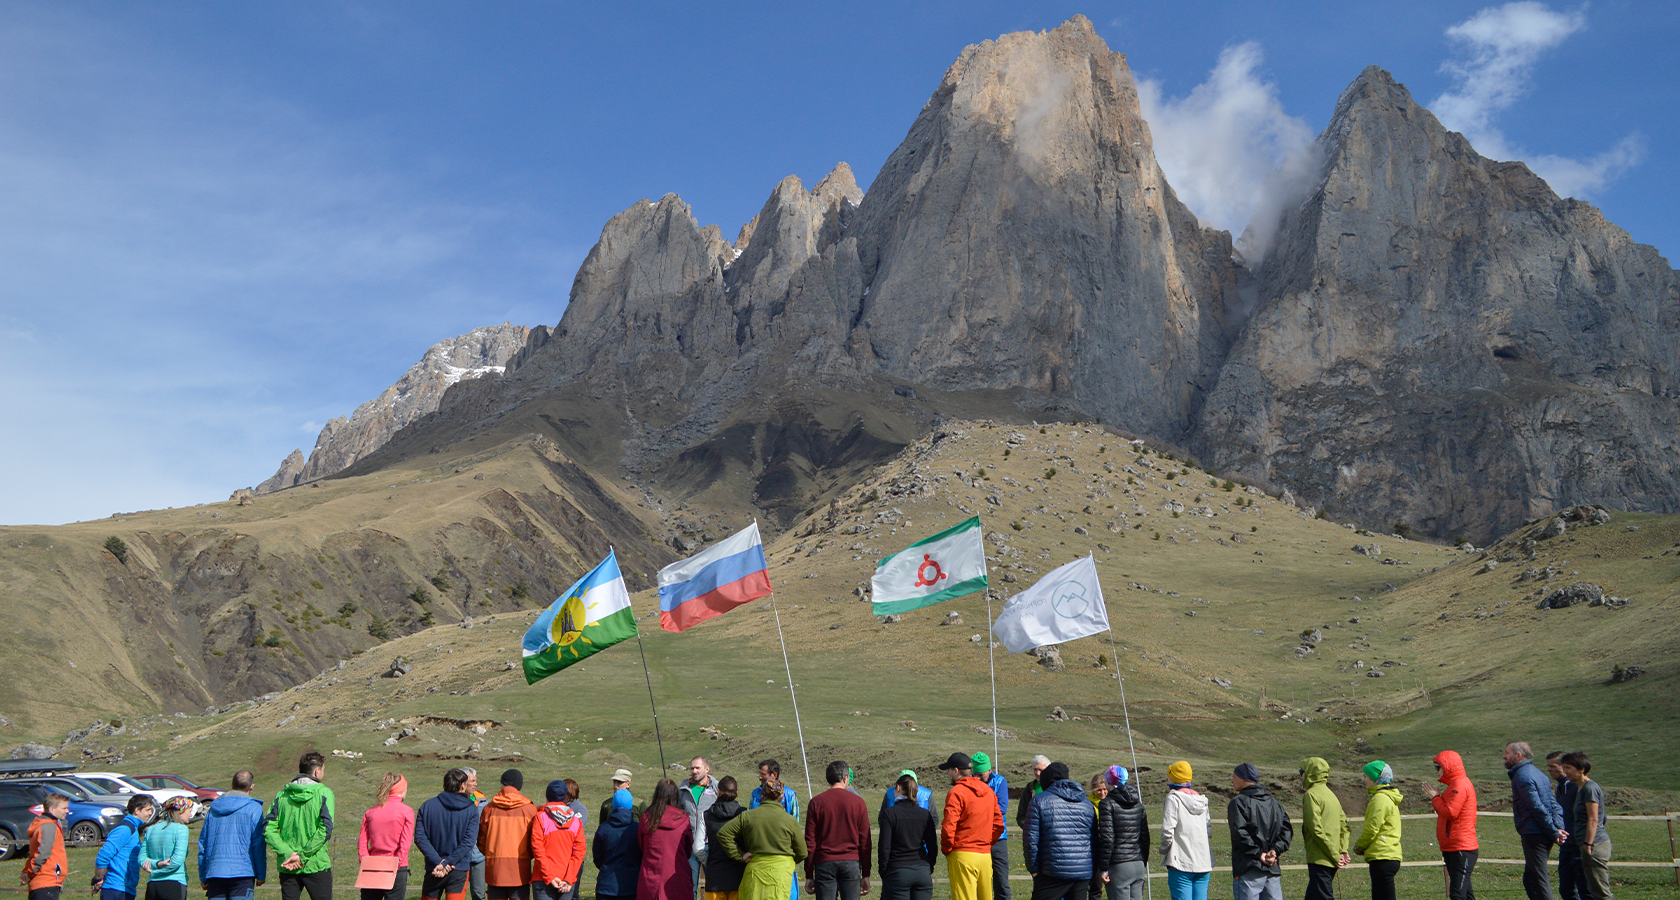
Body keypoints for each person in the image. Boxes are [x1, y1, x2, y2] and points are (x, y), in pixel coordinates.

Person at [263, 751, 337, 900]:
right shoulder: (324, 793)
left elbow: (267, 828)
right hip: (316, 864)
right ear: (317, 771)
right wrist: (302, 856)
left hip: (288, 865)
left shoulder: (282, 795)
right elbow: (325, 830)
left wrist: (287, 853)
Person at [717, 782, 807, 900]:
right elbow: (802, 852)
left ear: (762, 796)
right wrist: (787, 860)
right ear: (781, 797)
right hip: (781, 873)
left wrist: (739, 855)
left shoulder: (747, 816)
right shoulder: (790, 820)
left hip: (755, 871)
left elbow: (723, 833)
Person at [1505, 741, 1569, 900]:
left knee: (1539, 879)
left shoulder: (1522, 776)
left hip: (1534, 833)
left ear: (1518, 755)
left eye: (1507, 753)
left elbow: (1536, 807)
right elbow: (1553, 804)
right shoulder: (1539, 774)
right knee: (1530, 879)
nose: (1504, 756)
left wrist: (1554, 831)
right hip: (1541, 831)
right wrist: (1558, 827)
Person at [1022, 762, 1094, 900]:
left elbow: (1030, 839)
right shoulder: (1086, 804)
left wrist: (1033, 869)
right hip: (1081, 871)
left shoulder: (1039, 801)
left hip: (1052, 871)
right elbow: (1094, 839)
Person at [939, 753, 1004, 900]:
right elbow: (999, 825)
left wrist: (947, 849)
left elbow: (949, 826)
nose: (948, 774)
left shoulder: (956, 792)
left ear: (956, 771)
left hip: (963, 854)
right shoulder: (988, 791)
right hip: (985, 856)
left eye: (948, 770)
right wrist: (986, 842)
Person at [805, 761, 871, 900]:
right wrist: (866, 873)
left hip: (824, 863)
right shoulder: (858, 803)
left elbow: (810, 841)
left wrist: (809, 874)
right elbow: (865, 841)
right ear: (846, 778)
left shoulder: (816, 802)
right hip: (851, 862)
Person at [199, 771, 269, 900]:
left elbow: (204, 844)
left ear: (232, 785)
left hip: (216, 871)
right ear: (251, 786)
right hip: (242, 872)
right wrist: (261, 873)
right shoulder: (254, 808)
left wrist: (203, 874)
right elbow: (258, 844)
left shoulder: (213, 809)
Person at [415, 769, 483, 900]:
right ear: (463, 785)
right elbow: (469, 842)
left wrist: (438, 862)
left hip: (434, 868)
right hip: (458, 867)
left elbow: (420, 838)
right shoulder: (471, 809)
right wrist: (448, 862)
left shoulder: (427, 806)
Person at [1227, 763, 1290, 900]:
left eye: (1234, 777)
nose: (1232, 781)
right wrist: (1275, 851)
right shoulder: (1275, 803)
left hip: (1248, 868)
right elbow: (1286, 831)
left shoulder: (1238, 803)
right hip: (1271, 869)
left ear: (1244, 778)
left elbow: (1239, 833)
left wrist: (1259, 854)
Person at [1424, 752, 1478, 900]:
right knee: (1465, 893)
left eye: (1438, 767)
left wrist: (1435, 798)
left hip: (1461, 847)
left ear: (1448, 767)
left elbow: (1450, 812)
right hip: (1454, 846)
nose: (1436, 772)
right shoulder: (1454, 785)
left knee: (1457, 894)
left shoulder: (1459, 785)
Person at [1560, 753, 1612, 900]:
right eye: (1563, 767)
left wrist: (1588, 844)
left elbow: (1594, 819)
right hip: (1586, 844)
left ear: (1581, 769)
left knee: (1601, 892)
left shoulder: (1590, 788)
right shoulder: (1580, 788)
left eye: (1568, 768)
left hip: (1595, 845)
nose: (1565, 772)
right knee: (1594, 890)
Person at [877, 773, 936, 900]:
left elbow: (884, 847)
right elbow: (933, 845)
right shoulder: (925, 814)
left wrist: (884, 871)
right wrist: (929, 866)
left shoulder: (890, 814)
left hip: (898, 871)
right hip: (922, 871)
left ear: (898, 788)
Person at [480, 770, 538, 900]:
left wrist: (491, 854)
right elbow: (535, 841)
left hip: (495, 870)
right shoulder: (530, 810)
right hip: (520, 870)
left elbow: (481, 841)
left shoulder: (489, 809)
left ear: (502, 784)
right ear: (519, 785)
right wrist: (528, 855)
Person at [358, 774, 415, 900]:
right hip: (396, 866)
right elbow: (405, 844)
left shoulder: (370, 812)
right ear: (401, 789)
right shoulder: (407, 812)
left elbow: (362, 841)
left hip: (372, 866)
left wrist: (364, 859)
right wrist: (398, 862)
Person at [1159, 762, 1211, 900]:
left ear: (1173, 777)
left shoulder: (1173, 798)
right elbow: (1208, 830)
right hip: (1204, 862)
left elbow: (1167, 830)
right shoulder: (1202, 800)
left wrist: (1164, 849)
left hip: (1181, 863)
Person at [749, 761, 801, 900]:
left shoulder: (789, 795)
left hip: (781, 853)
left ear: (774, 775)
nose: (759, 777)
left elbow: (794, 824)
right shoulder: (755, 794)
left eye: (763, 774)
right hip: (758, 853)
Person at [1298, 758, 1348, 900]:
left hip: (1320, 857)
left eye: (1301, 772)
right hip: (1332, 856)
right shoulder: (1332, 795)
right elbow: (1344, 825)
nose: (1300, 776)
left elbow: (1315, 828)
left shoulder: (1311, 794)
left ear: (1309, 774)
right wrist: (1342, 850)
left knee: (1322, 896)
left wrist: (1335, 855)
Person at [1095, 766, 1148, 900]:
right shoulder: (1138, 804)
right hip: (1138, 862)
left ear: (1108, 782)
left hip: (1119, 865)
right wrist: (1143, 860)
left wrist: (1104, 867)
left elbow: (1107, 838)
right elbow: (1145, 836)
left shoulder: (1106, 804)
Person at [638, 779, 695, 900]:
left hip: (651, 878)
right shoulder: (683, 819)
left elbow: (642, 846)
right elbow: (688, 850)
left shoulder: (647, 818)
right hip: (677, 877)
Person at [1353, 762, 1402, 900]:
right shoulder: (1388, 797)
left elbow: (1372, 828)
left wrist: (1360, 846)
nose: (1364, 780)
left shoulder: (1379, 799)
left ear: (1376, 778)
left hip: (1382, 856)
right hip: (1390, 854)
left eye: (1366, 776)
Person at [531, 780, 587, 900]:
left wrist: (549, 876)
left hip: (542, 878)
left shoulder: (540, 817)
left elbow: (537, 849)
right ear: (565, 796)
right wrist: (569, 878)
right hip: (566, 880)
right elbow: (579, 852)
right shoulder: (576, 822)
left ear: (547, 797)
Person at [93, 795, 154, 900]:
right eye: (148, 810)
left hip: (125, 888)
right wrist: (98, 878)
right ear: (137, 810)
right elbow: (103, 855)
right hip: (116, 889)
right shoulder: (125, 829)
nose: (150, 813)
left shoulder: (133, 828)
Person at [140, 797, 195, 900]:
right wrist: (156, 871)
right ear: (180, 811)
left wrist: (156, 864)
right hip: (174, 883)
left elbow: (142, 859)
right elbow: (177, 861)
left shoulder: (151, 829)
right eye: (189, 811)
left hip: (153, 885)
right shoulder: (181, 829)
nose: (191, 815)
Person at [969, 754, 1008, 900]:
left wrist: (978, 810)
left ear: (989, 770)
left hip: (998, 838)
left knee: (1001, 879)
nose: (978, 778)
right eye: (975, 774)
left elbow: (1002, 808)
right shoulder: (969, 783)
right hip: (976, 838)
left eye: (981, 775)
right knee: (977, 881)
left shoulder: (1000, 782)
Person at [680, 759, 719, 900]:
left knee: (713, 886)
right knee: (690, 886)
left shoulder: (716, 787)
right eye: (692, 768)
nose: (694, 771)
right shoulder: (683, 788)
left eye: (697, 768)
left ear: (707, 769)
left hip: (710, 844)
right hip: (689, 845)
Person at [702, 777, 747, 900]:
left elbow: (698, 848)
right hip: (739, 875)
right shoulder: (744, 814)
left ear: (718, 791)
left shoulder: (706, 814)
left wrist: (709, 861)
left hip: (715, 875)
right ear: (736, 792)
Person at [594, 789, 643, 900]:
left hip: (606, 886)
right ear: (630, 805)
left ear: (613, 805)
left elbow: (597, 857)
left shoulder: (603, 828)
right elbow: (642, 854)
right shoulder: (637, 829)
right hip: (631, 886)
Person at [24, 791, 71, 900]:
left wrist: (26, 871)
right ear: (52, 809)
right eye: (64, 808)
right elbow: (43, 853)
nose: (67, 811)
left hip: (47, 883)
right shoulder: (49, 826)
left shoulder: (48, 824)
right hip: (46, 883)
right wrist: (30, 873)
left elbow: (34, 852)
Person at [1547, 752, 1580, 900]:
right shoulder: (1560, 787)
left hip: (1577, 844)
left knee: (1583, 887)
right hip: (1566, 844)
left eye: (1553, 766)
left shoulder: (1576, 787)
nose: (1549, 770)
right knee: (1566, 888)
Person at [463, 769, 490, 900]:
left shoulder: (483, 803)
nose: (475, 784)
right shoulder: (451, 801)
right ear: (462, 783)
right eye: (472, 781)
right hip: (458, 856)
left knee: (479, 894)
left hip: (478, 856)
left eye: (476, 781)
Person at [1083, 774, 1108, 900]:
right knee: (1095, 887)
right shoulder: (1087, 804)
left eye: (1105, 789)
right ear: (1092, 789)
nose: (1102, 792)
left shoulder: (1110, 803)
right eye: (1099, 790)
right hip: (1093, 850)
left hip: (1108, 850)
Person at [1014, 757, 1051, 832]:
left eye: (1041, 770)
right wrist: (1031, 829)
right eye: (1035, 769)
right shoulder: (1029, 789)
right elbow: (1021, 816)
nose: (1037, 773)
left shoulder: (1056, 787)